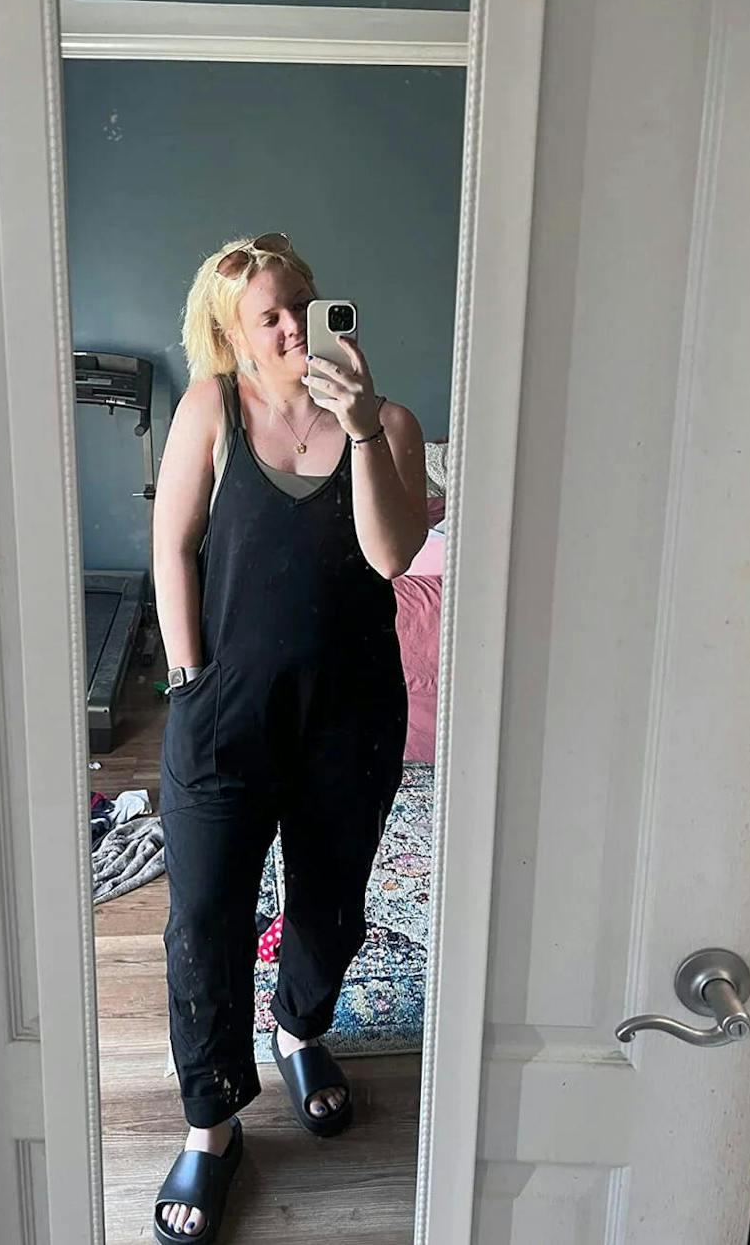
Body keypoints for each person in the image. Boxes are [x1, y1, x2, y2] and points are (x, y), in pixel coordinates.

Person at [151, 233, 427, 1243]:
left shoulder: (389, 422)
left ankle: (299, 1028)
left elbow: (392, 554)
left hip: (350, 720)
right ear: (232, 332)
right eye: (266, 314)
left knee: (330, 904)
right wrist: (187, 678)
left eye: (300, 302)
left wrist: (361, 429)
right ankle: (212, 1120)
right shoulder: (210, 409)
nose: (291, 326)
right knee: (204, 918)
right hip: (223, 716)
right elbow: (173, 545)